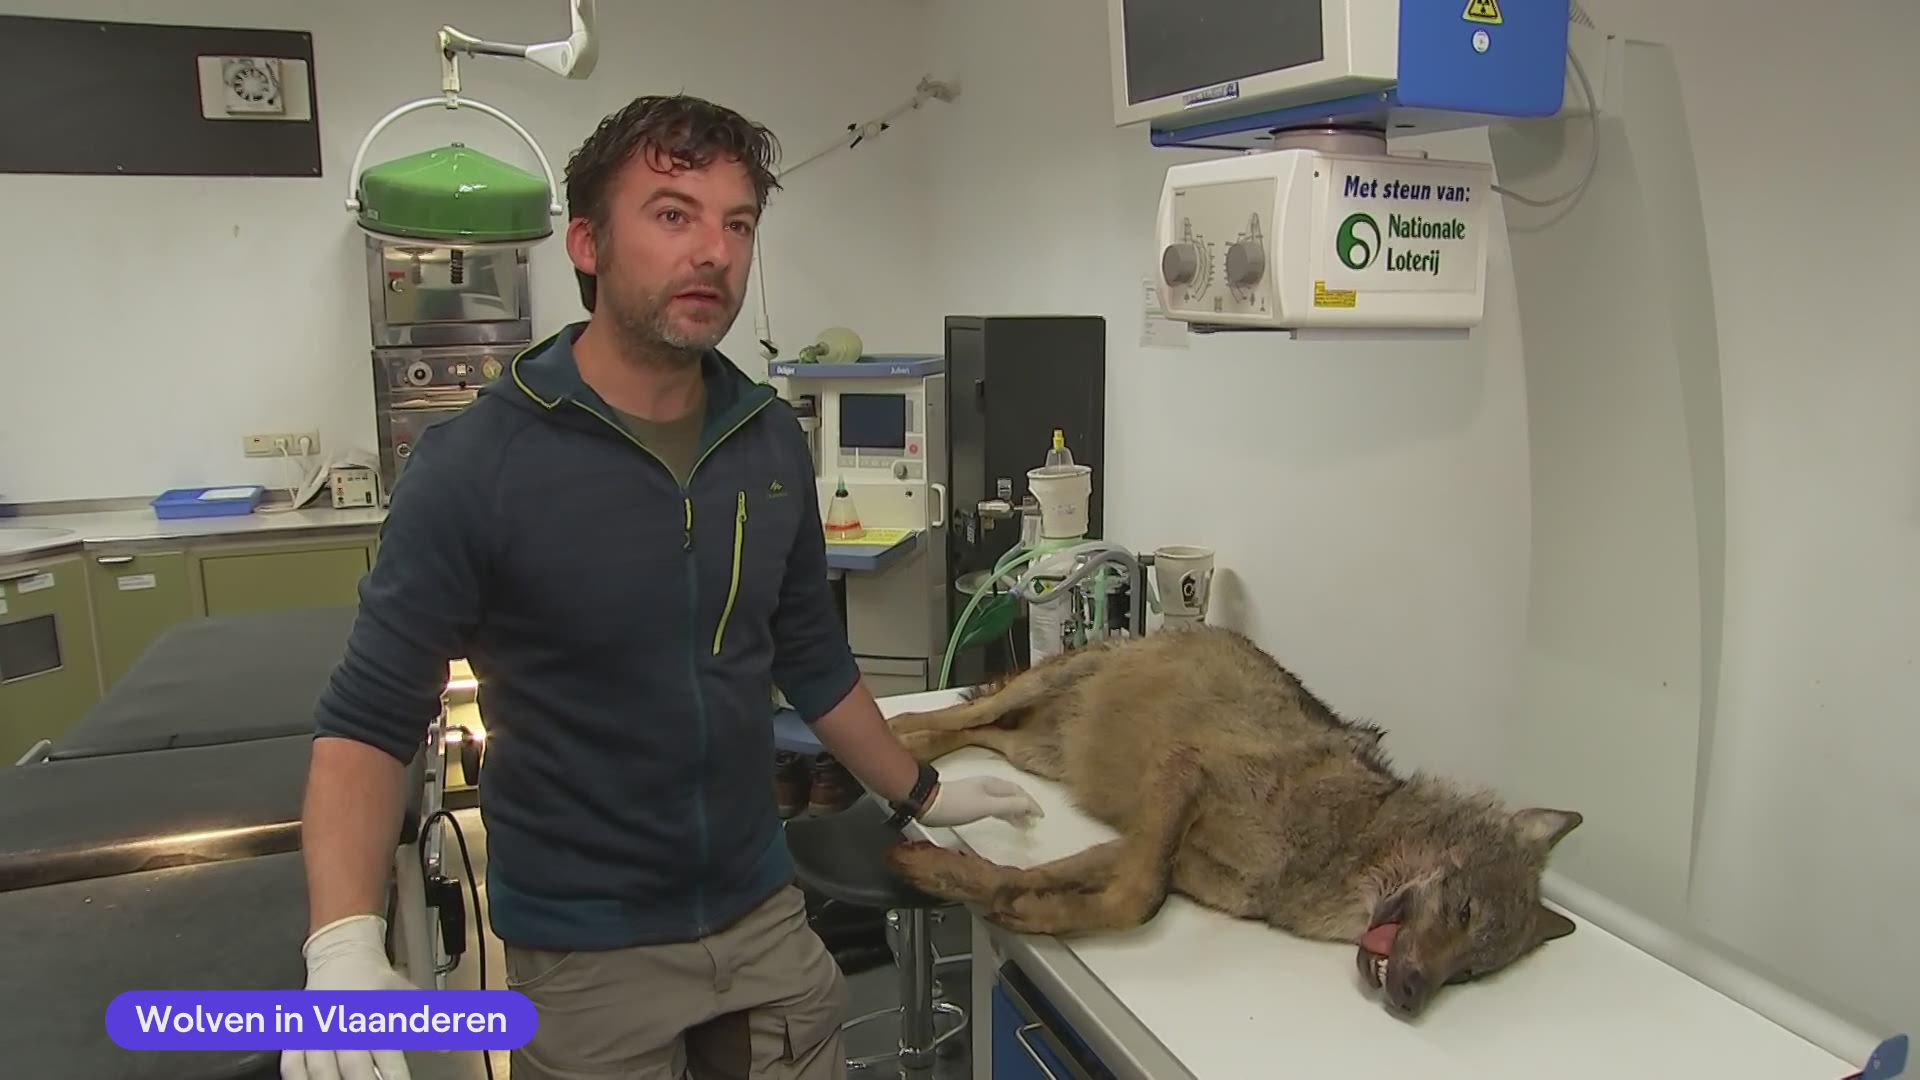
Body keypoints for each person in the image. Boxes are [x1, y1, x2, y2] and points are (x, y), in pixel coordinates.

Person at [282, 94, 1040, 1080]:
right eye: (674, 215)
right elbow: (370, 721)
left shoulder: (765, 439)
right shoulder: (476, 466)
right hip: (588, 957)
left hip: (764, 922)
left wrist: (922, 791)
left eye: (738, 223)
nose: (714, 252)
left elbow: (812, 658)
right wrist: (343, 944)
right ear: (587, 244)